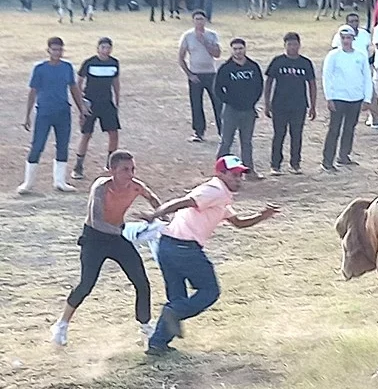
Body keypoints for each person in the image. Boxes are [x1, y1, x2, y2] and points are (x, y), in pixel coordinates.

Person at [144, 155, 280, 356]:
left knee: (178, 298)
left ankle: (157, 344)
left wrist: (262, 216)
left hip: (167, 246)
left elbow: (239, 223)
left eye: (240, 175)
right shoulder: (214, 190)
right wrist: (154, 215)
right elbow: (182, 202)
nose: (238, 179)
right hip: (184, 248)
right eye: (234, 175)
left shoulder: (221, 196)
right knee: (209, 291)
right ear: (220, 174)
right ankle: (169, 318)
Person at [50, 150, 162, 346]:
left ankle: (146, 327)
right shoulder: (101, 188)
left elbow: (152, 198)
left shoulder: (135, 186)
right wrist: (129, 233)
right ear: (112, 171)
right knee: (86, 285)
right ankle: (61, 324)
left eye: (133, 169)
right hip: (95, 239)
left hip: (118, 237)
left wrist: (160, 218)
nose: (131, 174)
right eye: (125, 170)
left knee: (142, 282)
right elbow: (97, 221)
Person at [18, 37, 89, 195]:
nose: (57, 52)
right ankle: (28, 182)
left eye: (59, 50)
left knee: (62, 145)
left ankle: (60, 181)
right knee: (37, 145)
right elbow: (33, 91)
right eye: (54, 49)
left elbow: (73, 88)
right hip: (44, 112)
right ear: (48, 50)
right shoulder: (40, 68)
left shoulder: (67, 67)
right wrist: (27, 115)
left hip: (63, 112)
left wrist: (81, 108)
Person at [322, 25, 373, 171]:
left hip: (355, 98)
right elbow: (327, 76)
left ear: (353, 39)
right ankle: (327, 160)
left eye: (348, 38)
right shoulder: (333, 56)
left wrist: (367, 98)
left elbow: (367, 78)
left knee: (349, 128)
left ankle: (344, 156)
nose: (346, 41)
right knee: (334, 129)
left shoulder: (360, 56)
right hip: (338, 97)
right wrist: (329, 97)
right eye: (343, 38)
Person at [264, 33, 317, 176]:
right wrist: (267, 103)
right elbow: (269, 82)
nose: (292, 47)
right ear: (285, 45)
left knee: (297, 135)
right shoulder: (278, 61)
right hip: (279, 104)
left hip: (299, 105)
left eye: (295, 44)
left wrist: (313, 105)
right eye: (289, 44)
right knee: (279, 134)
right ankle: (275, 165)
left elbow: (312, 84)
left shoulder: (305, 63)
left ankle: (295, 164)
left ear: (299, 45)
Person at [214, 38, 265, 179]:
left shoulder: (253, 67)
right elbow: (217, 89)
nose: (238, 51)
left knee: (246, 142)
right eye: (235, 49)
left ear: (245, 49)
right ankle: (220, 172)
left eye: (240, 48)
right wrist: (229, 101)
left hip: (248, 110)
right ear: (231, 50)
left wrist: (252, 102)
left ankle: (248, 172)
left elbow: (259, 86)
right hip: (231, 110)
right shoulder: (226, 68)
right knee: (226, 141)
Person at [71, 37, 121, 180]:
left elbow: (116, 83)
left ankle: (110, 165)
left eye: (108, 47)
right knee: (86, 134)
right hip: (90, 103)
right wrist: (82, 104)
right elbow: (78, 83)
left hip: (107, 103)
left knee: (114, 133)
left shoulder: (114, 63)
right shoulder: (89, 63)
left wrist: (117, 101)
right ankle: (78, 166)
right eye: (103, 47)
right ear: (98, 48)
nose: (106, 50)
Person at [179, 10, 222, 143]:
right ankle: (199, 132)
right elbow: (181, 57)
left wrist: (205, 42)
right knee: (196, 103)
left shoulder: (212, 35)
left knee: (218, 103)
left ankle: (223, 131)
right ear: (193, 21)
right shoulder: (187, 36)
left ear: (205, 20)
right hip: (196, 74)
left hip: (211, 73)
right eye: (197, 19)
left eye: (201, 19)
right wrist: (189, 74)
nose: (199, 22)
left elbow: (217, 54)